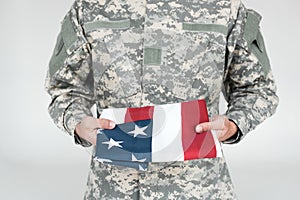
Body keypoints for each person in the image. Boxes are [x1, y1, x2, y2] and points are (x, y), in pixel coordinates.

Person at [45, 0, 279, 199]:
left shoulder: (226, 8)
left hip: (198, 187)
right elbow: (65, 88)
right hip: (113, 187)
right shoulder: (90, 7)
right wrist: (78, 123)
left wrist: (233, 124)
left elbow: (258, 88)